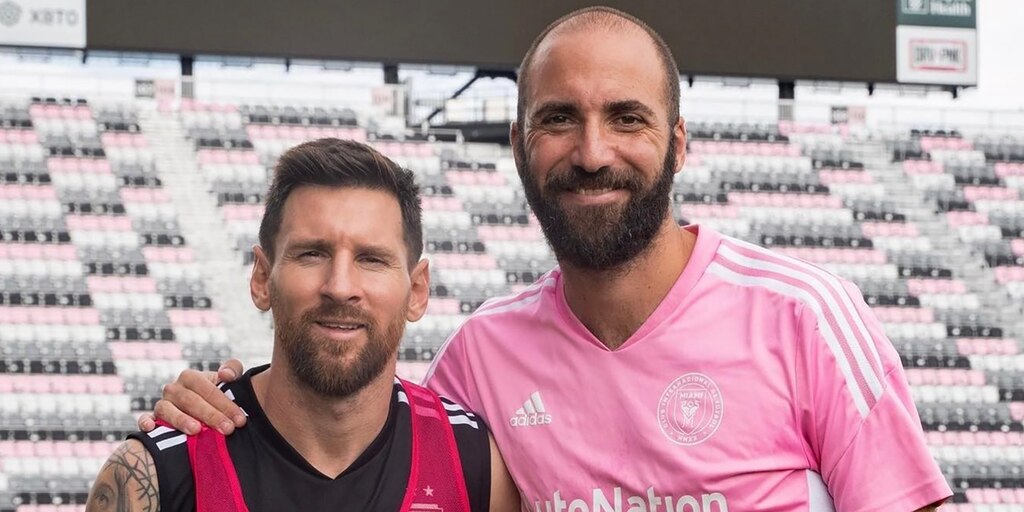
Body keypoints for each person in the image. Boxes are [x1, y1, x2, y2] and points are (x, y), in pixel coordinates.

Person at [140, 7, 952, 511]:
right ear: (520, 146)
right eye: (559, 119)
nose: (592, 153)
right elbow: (351, 426)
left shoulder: (803, 316)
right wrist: (219, 405)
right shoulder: (480, 360)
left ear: (677, 144)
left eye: (626, 118)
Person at [87, 139, 519, 511]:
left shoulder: (474, 464)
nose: (340, 287)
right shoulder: (154, 475)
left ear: (418, 290)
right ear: (262, 278)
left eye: (371, 259)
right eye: (312, 254)